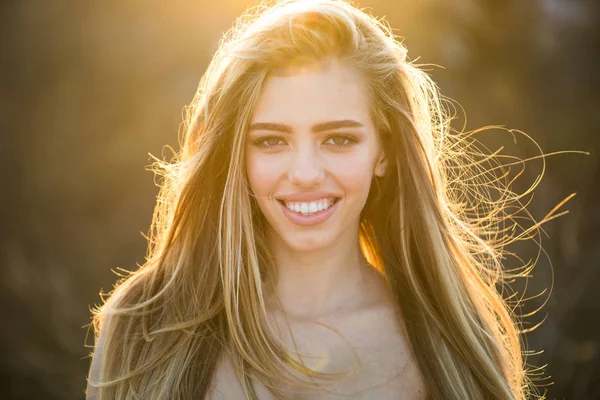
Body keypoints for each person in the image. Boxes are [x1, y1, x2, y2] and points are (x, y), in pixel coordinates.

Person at [86, 0, 550, 398]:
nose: (305, 174)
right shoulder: (144, 327)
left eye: (339, 140)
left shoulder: (453, 341)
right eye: (271, 141)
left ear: (383, 151)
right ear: (235, 154)